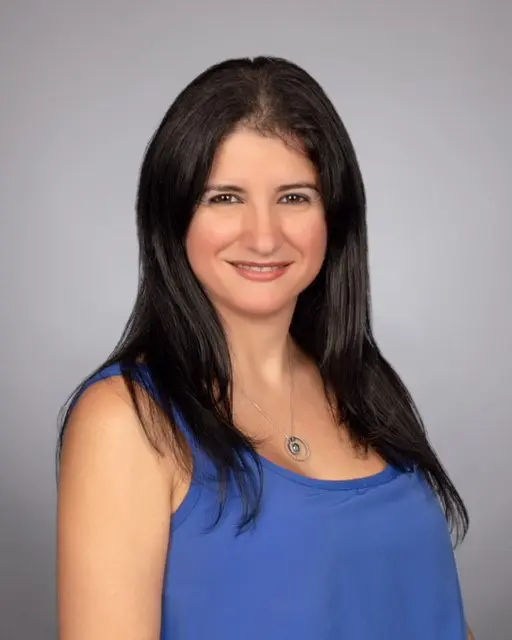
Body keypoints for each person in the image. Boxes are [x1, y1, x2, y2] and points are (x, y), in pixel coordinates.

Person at [56, 56, 475, 639]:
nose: (263, 235)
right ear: (172, 216)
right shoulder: (126, 422)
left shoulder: (365, 387)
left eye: (295, 197)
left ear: (335, 215)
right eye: (224, 198)